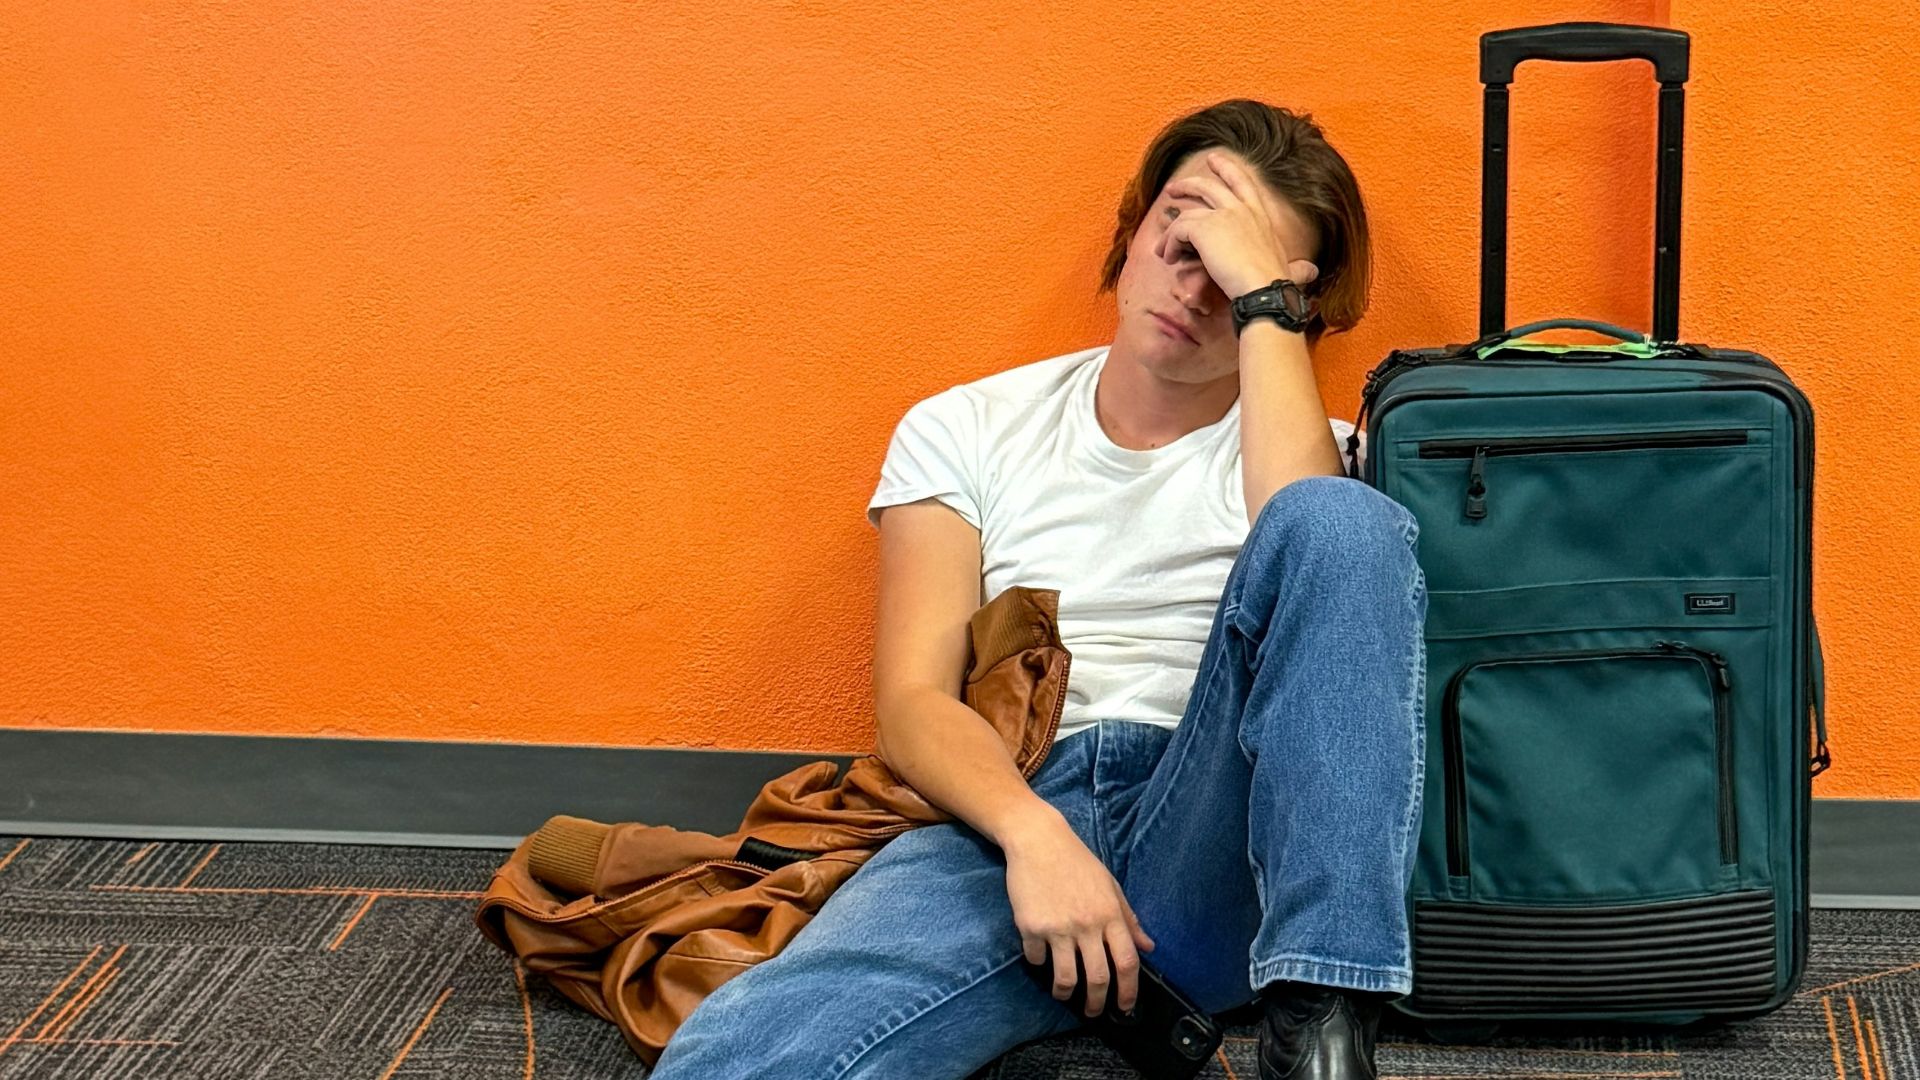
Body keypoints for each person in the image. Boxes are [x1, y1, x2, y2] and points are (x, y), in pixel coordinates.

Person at [647, 99, 1427, 1080]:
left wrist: (1266, 305)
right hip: (1016, 802)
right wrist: (1034, 838)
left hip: (1220, 829)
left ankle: (1325, 1022)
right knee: (757, 1049)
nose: (1196, 283)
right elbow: (915, 701)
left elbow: (1301, 521)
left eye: (1236, 269)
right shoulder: (967, 426)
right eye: (1180, 233)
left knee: (1343, 522)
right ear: (1133, 233)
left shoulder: (1321, 464)